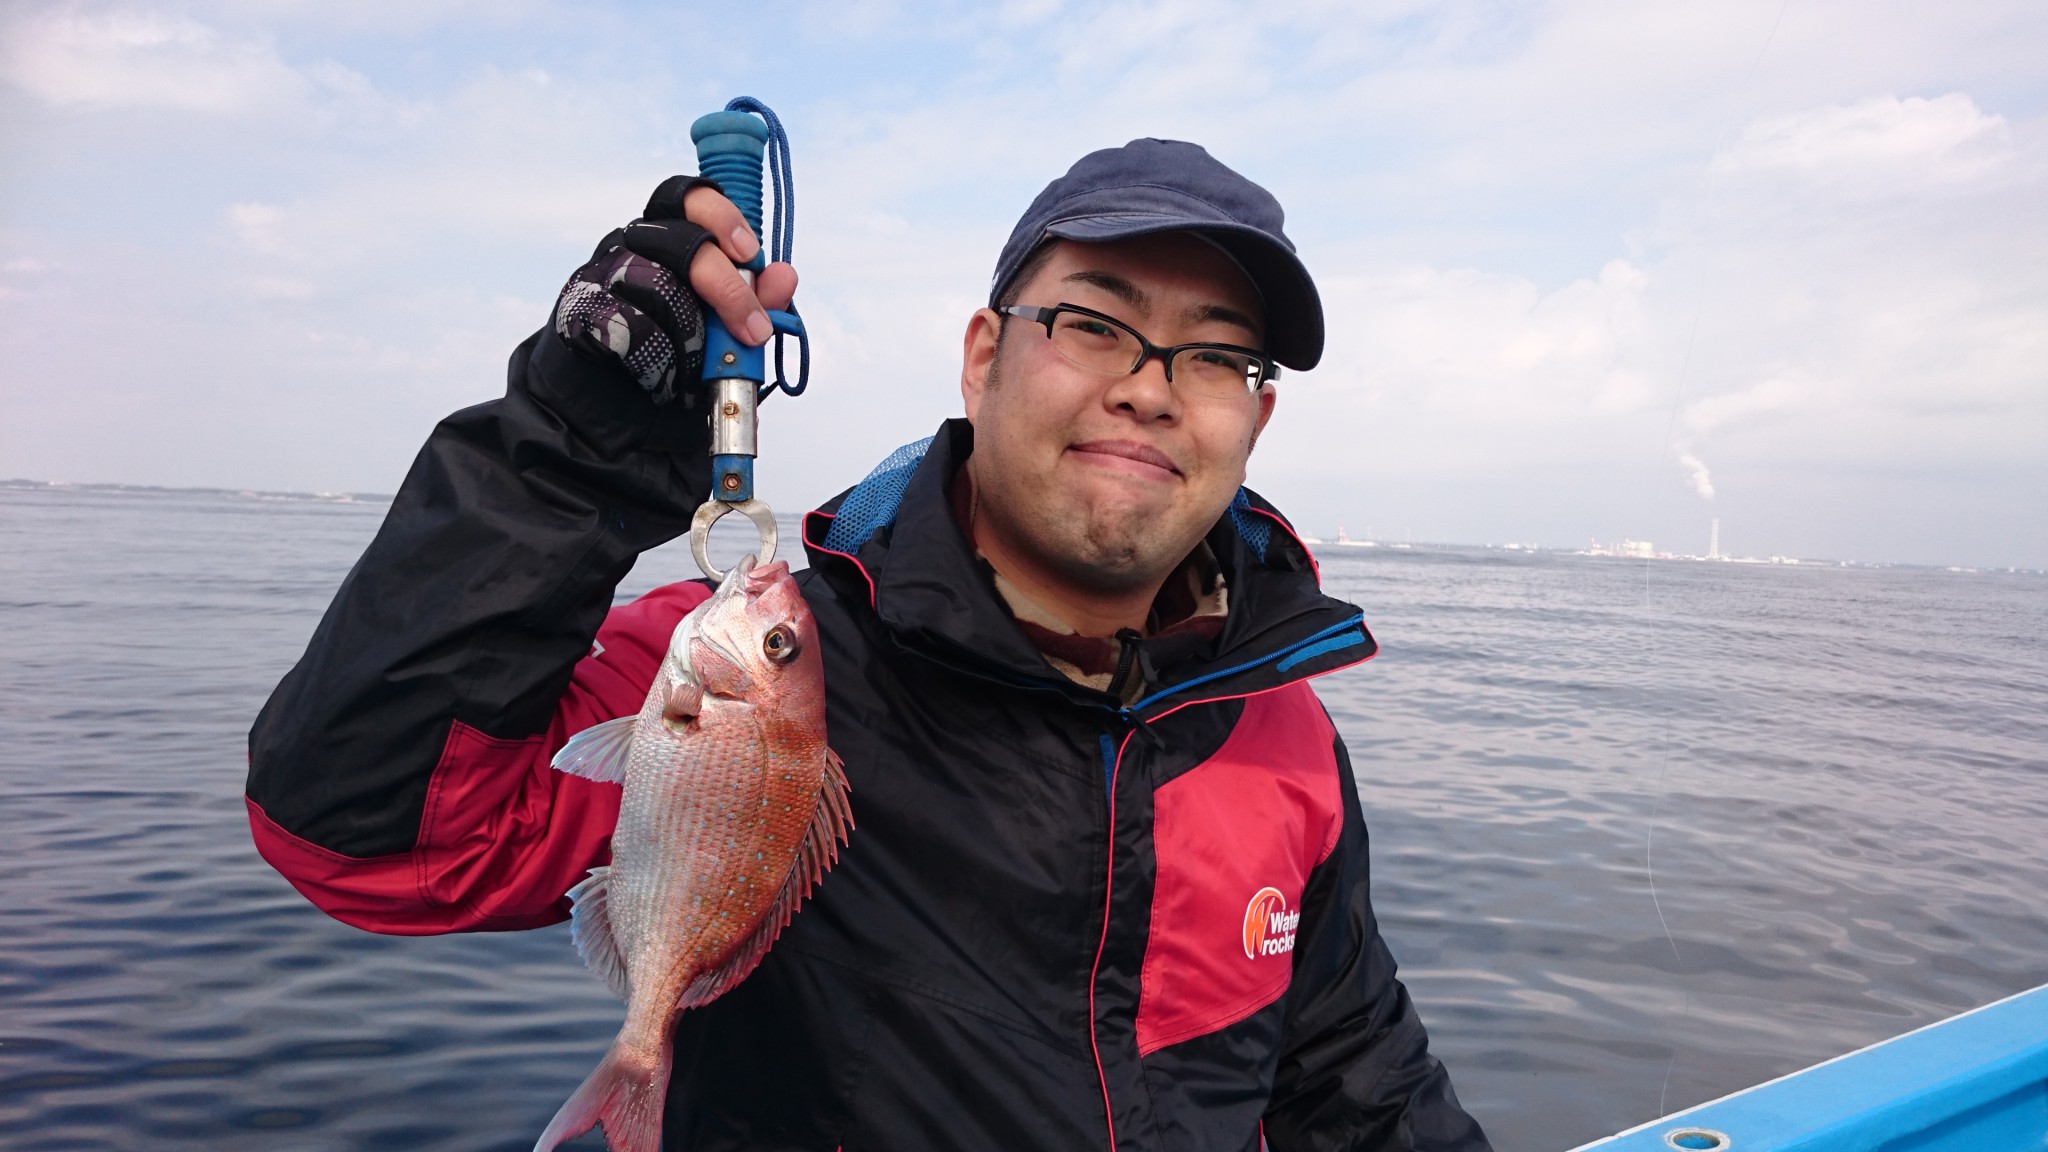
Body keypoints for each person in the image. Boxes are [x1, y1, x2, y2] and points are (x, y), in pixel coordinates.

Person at [246, 138, 1493, 1151]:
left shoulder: (1280, 731)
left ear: (1254, 416)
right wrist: (569, 450)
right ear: (983, 357)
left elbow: (1352, 1075)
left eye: (1215, 354)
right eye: (1093, 323)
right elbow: (370, 836)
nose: (1151, 386)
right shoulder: (780, 654)